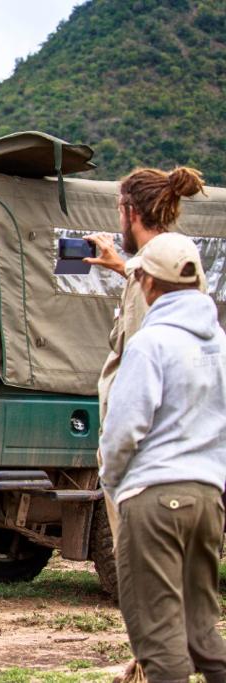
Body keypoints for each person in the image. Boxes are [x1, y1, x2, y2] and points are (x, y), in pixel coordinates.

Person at [100, 232, 226, 683]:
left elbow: (123, 429)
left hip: (153, 496)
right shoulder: (220, 343)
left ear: (149, 284)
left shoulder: (151, 343)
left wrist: (113, 483)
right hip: (209, 499)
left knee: (159, 640)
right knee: (201, 633)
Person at [85, 166, 206, 544]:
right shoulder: (175, 255)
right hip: (178, 439)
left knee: (143, 561)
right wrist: (124, 267)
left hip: (146, 449)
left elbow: (144, 360)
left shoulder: (150, 268)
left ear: (130, 211)